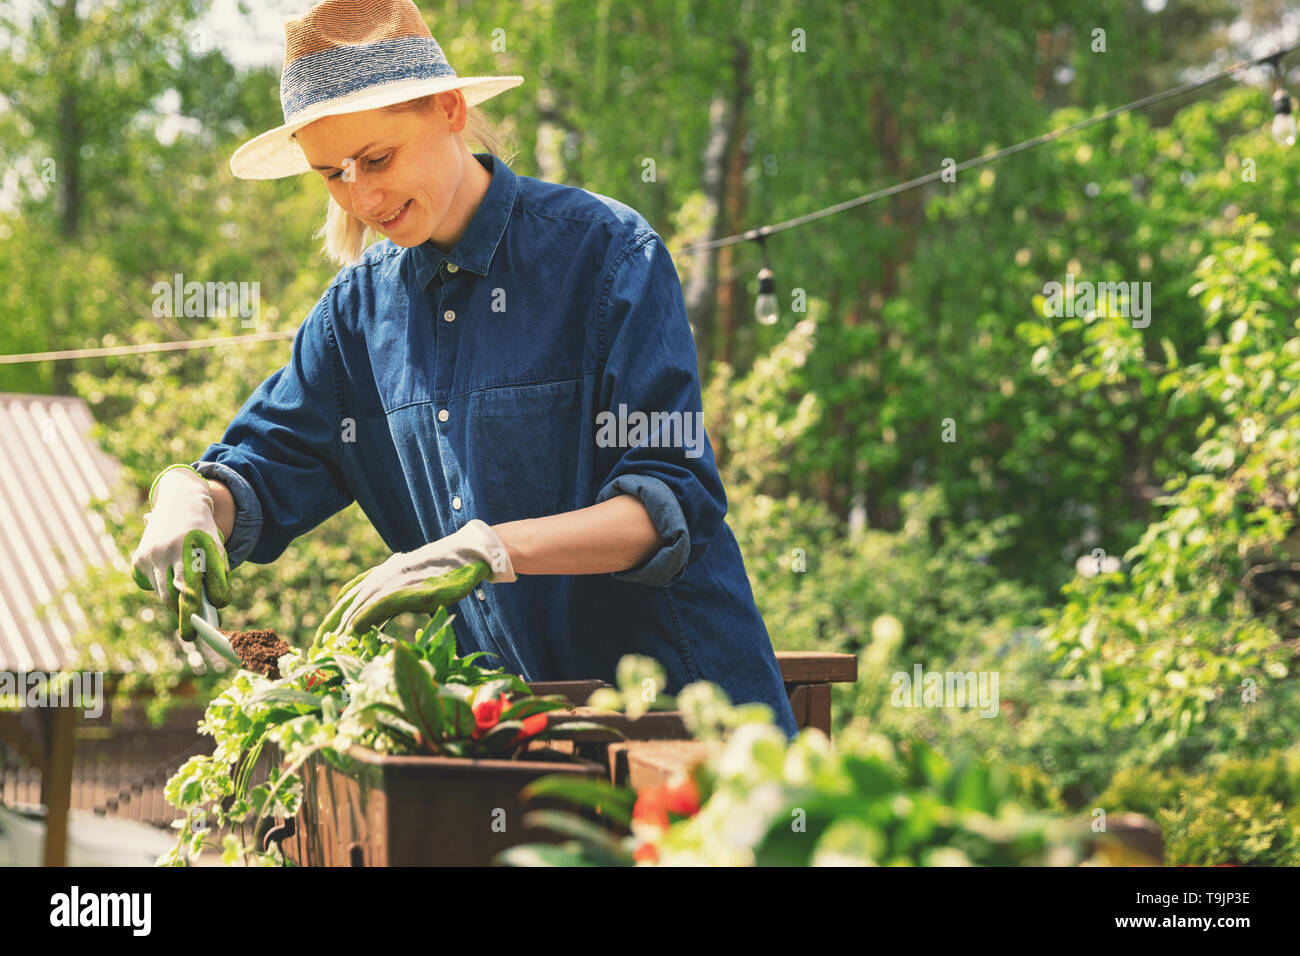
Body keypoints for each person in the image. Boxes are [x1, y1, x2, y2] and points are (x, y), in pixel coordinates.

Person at [130, 0, 798, 738]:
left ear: (450, 108)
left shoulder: (607, 255)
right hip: (514, 743)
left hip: (689, 725)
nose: (363, 197)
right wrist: (186, 498)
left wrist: (490, 549)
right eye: (332, 174)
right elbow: (258, 472)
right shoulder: (355, 317)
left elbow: (671, 502)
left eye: (378, 159)